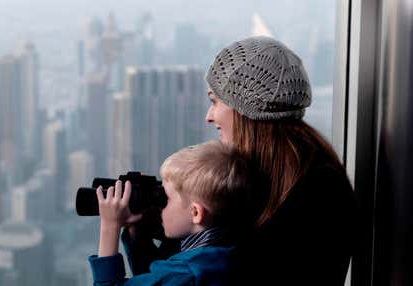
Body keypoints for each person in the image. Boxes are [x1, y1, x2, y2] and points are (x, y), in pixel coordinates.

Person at [122, 36, 356, 285]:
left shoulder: (311, 194)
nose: (208, 116)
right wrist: (142, 234)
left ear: (245, 108)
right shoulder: (298, 175)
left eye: (214, 101)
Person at [87, 141, 262, 285]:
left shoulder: (187, 275)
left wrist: (110, 226)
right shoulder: (221, 251)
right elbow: (152, 278)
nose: (159, 206)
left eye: (165, 199)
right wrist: (137, 232)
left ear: (195, 212)